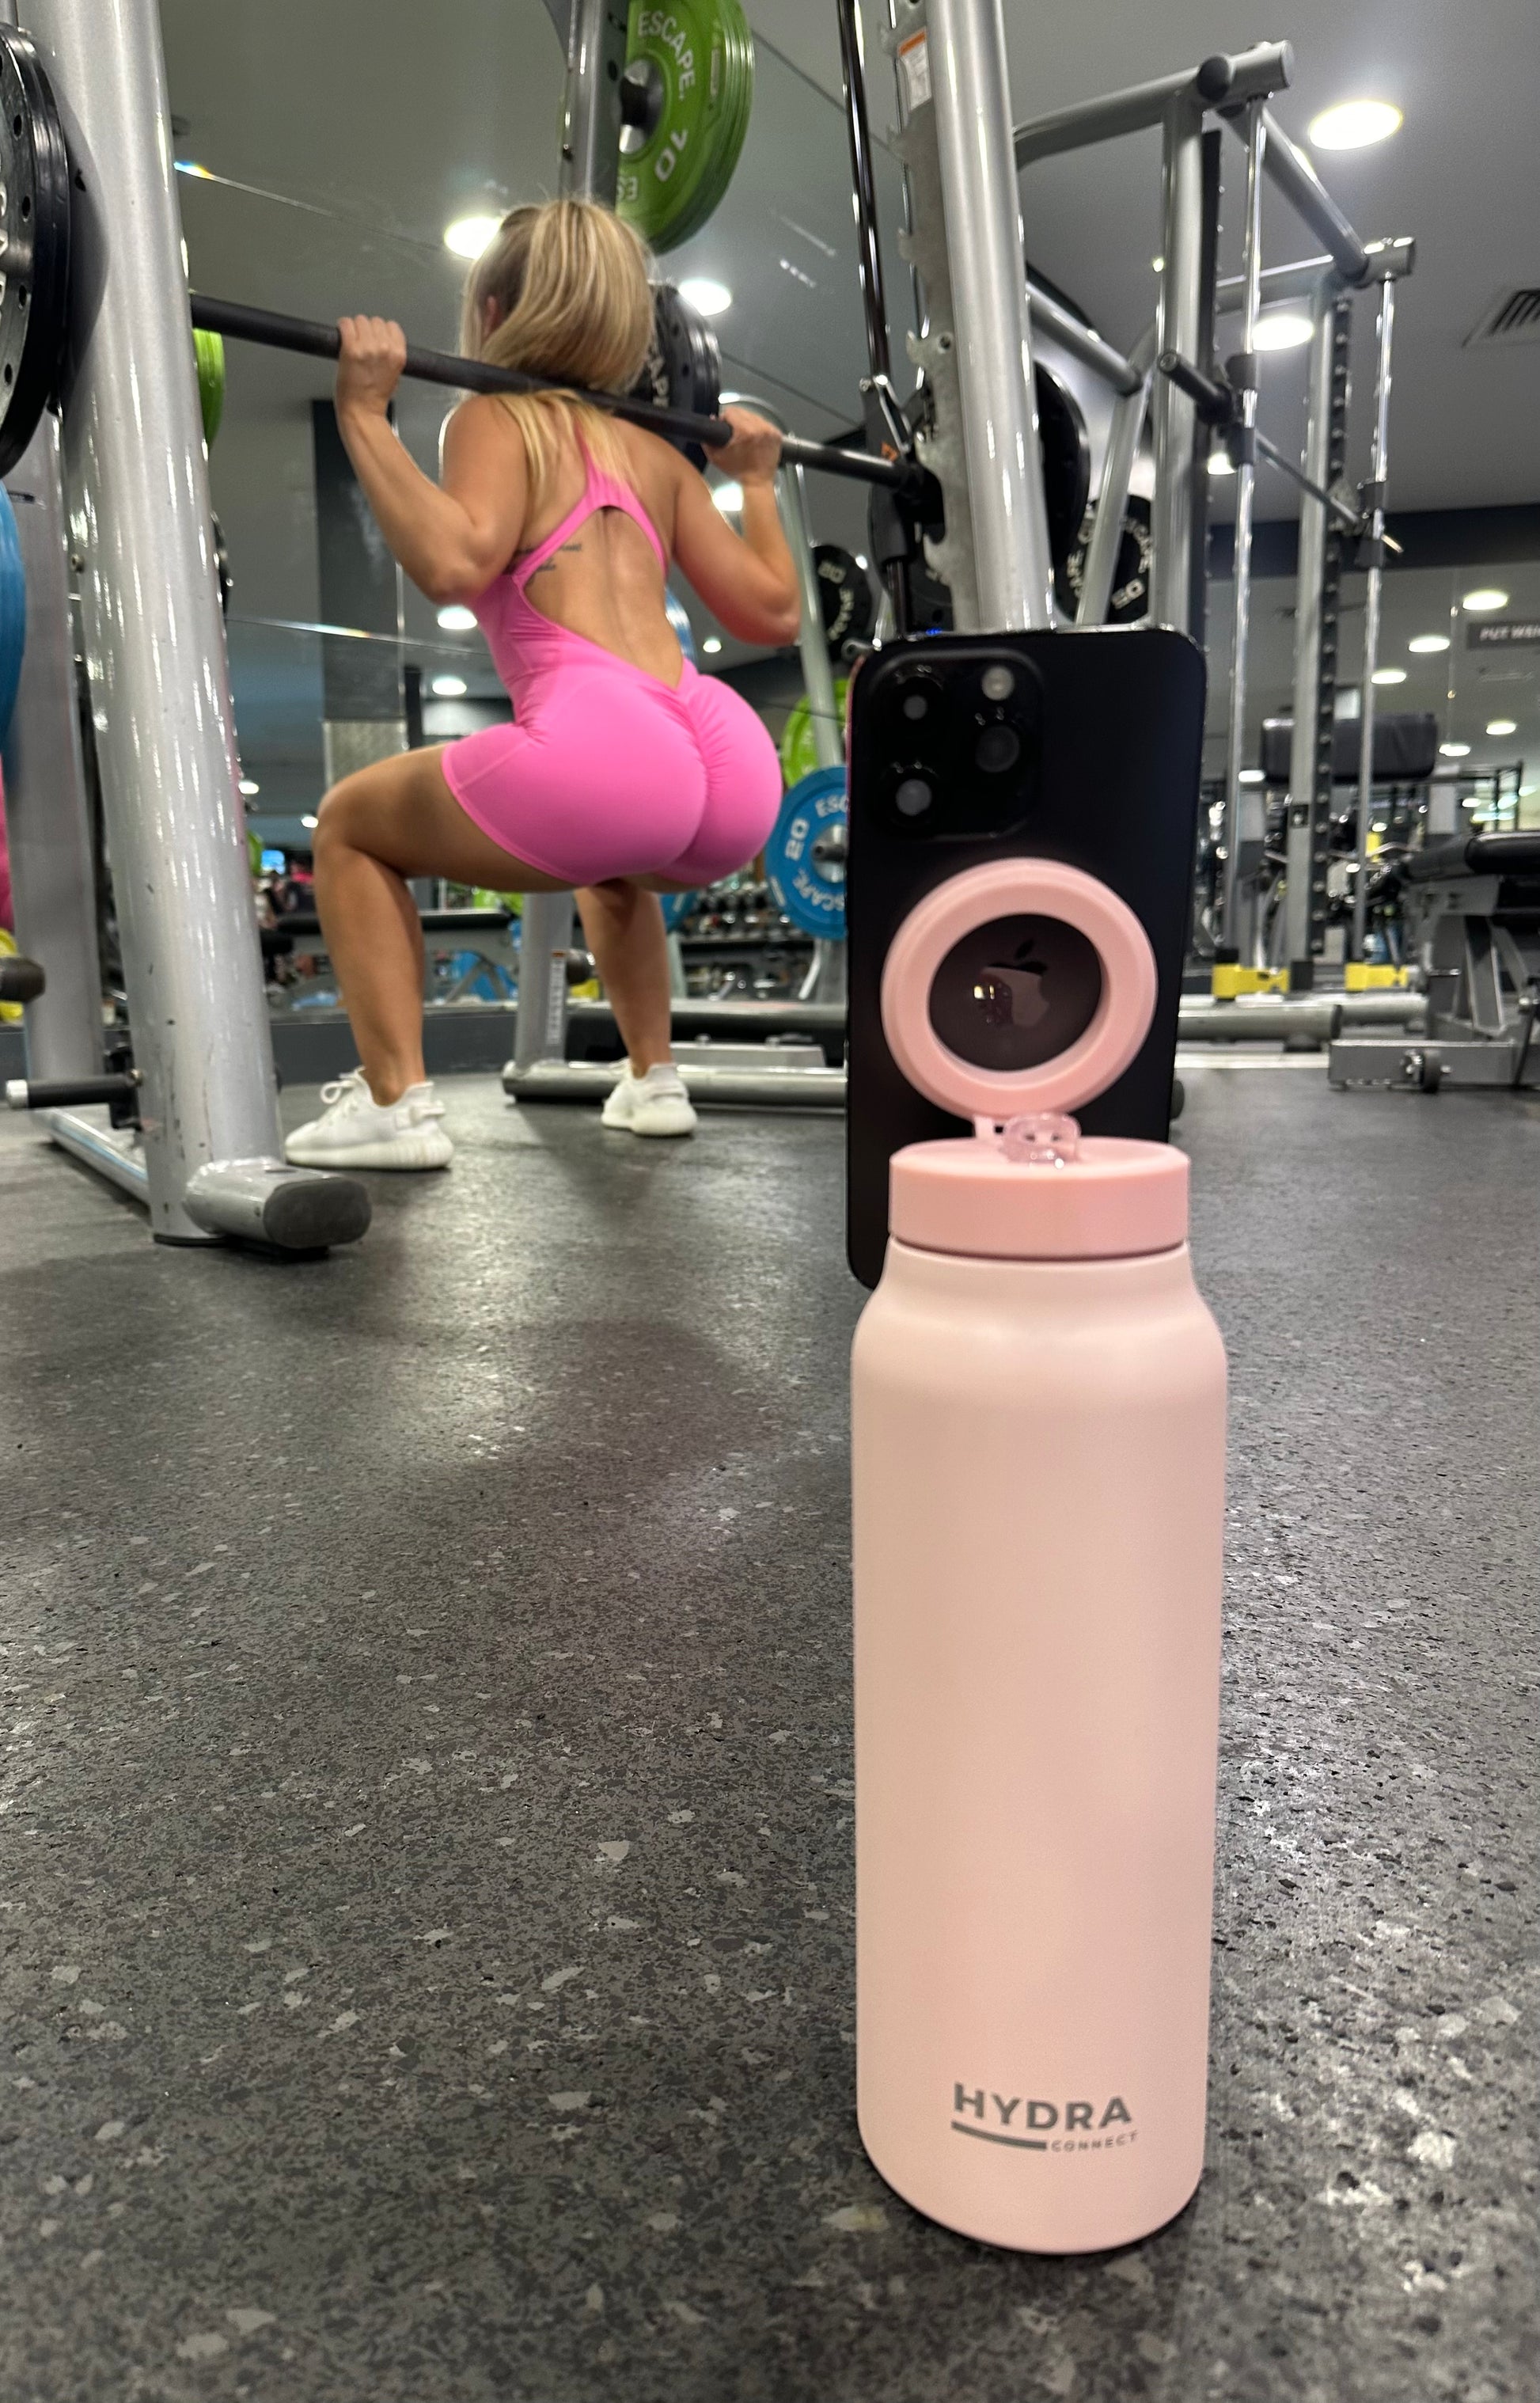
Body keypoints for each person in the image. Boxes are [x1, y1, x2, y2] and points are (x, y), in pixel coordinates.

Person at [286, 198, 797, 1170]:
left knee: (349, 825)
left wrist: (363, 413)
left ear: (487, 307)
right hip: (722, 760)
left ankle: (393, 1104)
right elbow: (771, 614)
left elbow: (452, 562)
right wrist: (761, 485)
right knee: (611, 869)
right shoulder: (657, 454)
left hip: (606, 743)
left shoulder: (494, 417)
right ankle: (654, 1080)